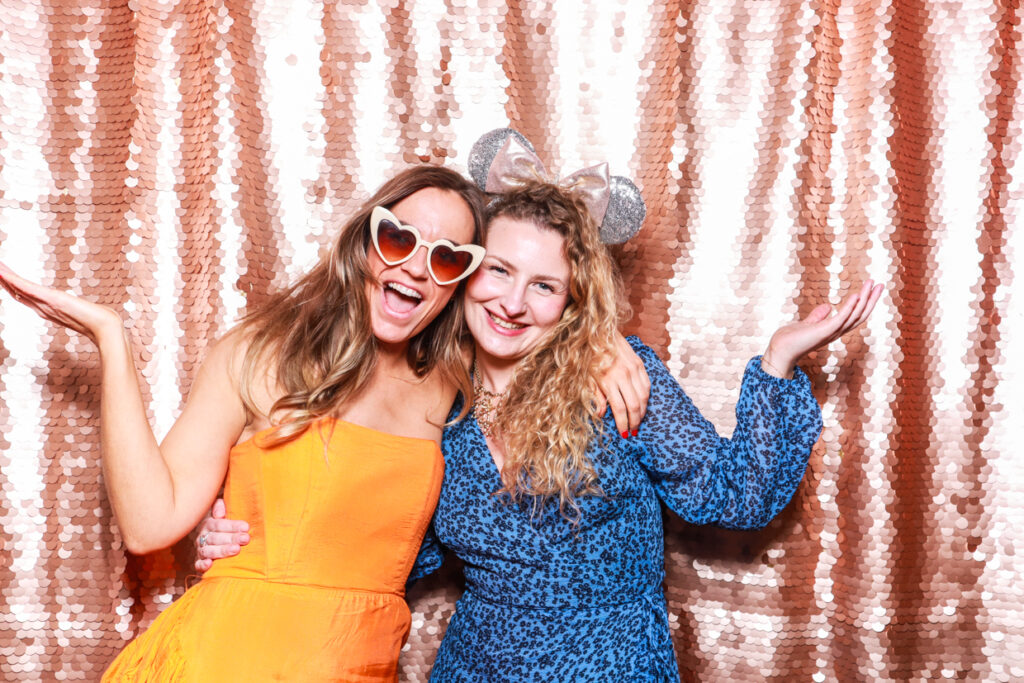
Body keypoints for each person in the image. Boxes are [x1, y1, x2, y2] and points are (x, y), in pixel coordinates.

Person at [201, 177, 881, 680]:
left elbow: (736, 497)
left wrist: (779, 360)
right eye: (498, 270)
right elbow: (388, 544)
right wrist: (242, 537)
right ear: (465, 271)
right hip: (474, 667)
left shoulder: (613, 380)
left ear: (570, 302)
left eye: (544, 285)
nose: (513, 303)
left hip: (613, 667)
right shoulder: (433, 400)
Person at [0, 165, 494, 680]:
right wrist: (111, 340)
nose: (418, 268)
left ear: (461, 281)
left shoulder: (450, 389)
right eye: (399, 238)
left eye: (447, 257)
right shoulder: (263, 353)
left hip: (360, 662)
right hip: (232, 657)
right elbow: (149, 524)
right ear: (365, 240)